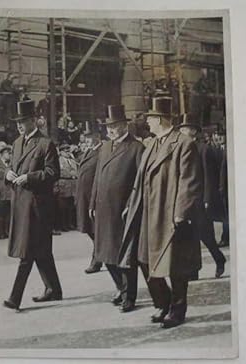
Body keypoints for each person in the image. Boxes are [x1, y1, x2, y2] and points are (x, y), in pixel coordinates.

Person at [119, 97, 203, 328]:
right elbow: (140, 178)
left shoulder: (184, 143)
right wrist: (131, 204)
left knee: (175, 266)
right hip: (147, 213)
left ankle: (177, 310)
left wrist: (180, 212)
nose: (147, 122)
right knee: (144, 259)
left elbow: (190, 181)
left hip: (169, 213)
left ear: (160, 119)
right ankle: (164, 303)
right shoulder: (152, 144)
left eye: (150, 118)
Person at [3, 100, 62, 311]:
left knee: (27, 253)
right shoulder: (17, 143)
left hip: (38, 207)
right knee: (41, 251)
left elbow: (53, 173)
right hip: (20, 204)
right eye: (18, 122)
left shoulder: (46, 143)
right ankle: (54, 289)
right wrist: (8, 175)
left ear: (34, 121)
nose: (20, 125)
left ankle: (14, 298)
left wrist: (29, 177)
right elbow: (11, 168)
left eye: (24, 121)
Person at [89, 105, 146, 313]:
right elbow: (97, 178)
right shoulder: (105, 147)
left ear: (124, 126)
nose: (110, 130)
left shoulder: (136, 148)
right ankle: (121, 289)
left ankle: (129, 296)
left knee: (125, 256)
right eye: (108, 127)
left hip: (122, 211)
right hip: (103, 209)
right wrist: (92, 203)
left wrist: (131, 204)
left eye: (114, 126)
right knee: (105, 254)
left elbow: (141, 182)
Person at [177, 113, 226, 278]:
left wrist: (206, 199)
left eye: (186, 128)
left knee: (206, 236)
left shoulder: (203, 149)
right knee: (189, 236)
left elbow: (208, 177)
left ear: (193, 131)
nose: (183, 131)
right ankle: (193, 270)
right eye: (182, 129)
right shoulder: (181, 148)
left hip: (199, 200)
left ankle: (219, 259)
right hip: (186, 199)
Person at [76, 132, 103, 274]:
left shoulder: (101, 152)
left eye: (88, 139)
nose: (85, 142)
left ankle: (97, 260)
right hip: (84, 197)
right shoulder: (88, 152)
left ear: (96, 138)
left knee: (95, 229)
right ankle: (99, 255)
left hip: (93, 197)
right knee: (89, 229)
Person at [58, 144, 78, 231]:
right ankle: (63, 225)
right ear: (61, 152)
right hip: (64, 183)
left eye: (68, 150)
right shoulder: (59, 160)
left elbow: (76, 170)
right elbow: (61, 172)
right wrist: (71, 174)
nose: (67, 152)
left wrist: (73, 174)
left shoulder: (72, 160)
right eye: (65, 150)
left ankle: (70, 224)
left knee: (70, 205)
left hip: (72, 184)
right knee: (63, 206)